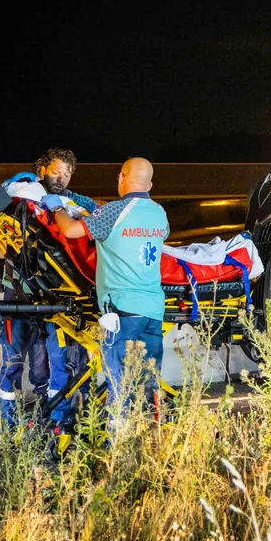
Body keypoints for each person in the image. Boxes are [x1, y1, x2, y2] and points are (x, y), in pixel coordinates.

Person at [52, 157, 169, 421]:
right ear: (150, 183)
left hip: (122, 313)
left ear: (120, 177)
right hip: (153, 312)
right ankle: (151, 444)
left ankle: (118, 454)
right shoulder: (160, 213)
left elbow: (70, 231)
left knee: (120, 387)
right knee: (148, 386)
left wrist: (57, 207)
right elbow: (131, 222)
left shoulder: (113, 212)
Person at [0, 148, 95, 429]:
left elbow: (96, 213)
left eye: (67, 173)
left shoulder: (68, 202)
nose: (61, 178)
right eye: (56, 171)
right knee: (13, 362)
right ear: (41, 171)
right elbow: (1, 243)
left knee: (52, 367)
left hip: (54, 297)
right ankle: (10, 426)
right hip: (18, 296)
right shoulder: (21, 197)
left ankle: (52, 421)